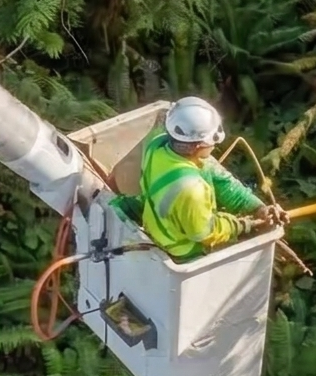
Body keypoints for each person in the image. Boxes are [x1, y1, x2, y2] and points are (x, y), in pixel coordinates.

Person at [117, 97, 279, 260]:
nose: (214, 145)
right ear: (196, 146)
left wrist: (258, 208)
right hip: (181, 250)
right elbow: (205, 233)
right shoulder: (192, 190)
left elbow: (223, 181)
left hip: (157, 222)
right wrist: (242, 225)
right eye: (212, 141)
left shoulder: (158, 144)